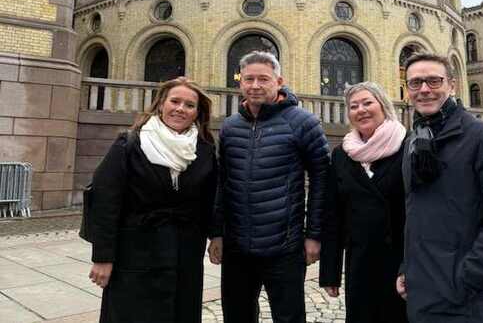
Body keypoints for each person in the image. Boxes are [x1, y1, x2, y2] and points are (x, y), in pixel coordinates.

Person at [395, 53, 483, 323]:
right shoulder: (413, 141)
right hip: (422, 286)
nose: (424, 90)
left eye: (434, 81)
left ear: (452, 86)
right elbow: (414, 213)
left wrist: (468, 276)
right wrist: (406, 267)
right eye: (415, 83)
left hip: (464, 293)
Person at [208, 51, 329, 323]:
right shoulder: (230, 126)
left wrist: (314, 234)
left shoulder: (303, 123)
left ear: (279, 81)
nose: (255, 85)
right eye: (248, 79)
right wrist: (216, 232)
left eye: (263, 79)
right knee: (237, 316)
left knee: (288, 317)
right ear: (240, 83)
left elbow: (322, 179)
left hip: (284, 246)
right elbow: (222, 181)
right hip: (237, 246)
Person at [88, 77, 218, 323]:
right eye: (175, 101)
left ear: (197, 113)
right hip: (136, 254)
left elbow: (211, 199)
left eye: (189, 105)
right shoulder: (129, 144)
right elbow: (105, 202)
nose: (180, 109)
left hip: (185, 255)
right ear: (161, 104)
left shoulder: (205, 150)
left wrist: (217, 235)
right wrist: (103, 257)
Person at [320, 82, 409, 323]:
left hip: (401, 258)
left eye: (368, 103)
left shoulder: (408, 146)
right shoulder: (342, 154)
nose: (361, 110)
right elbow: (333, 213)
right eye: (354, 106)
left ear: (383, 106)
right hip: (360, 260)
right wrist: (330, 271)